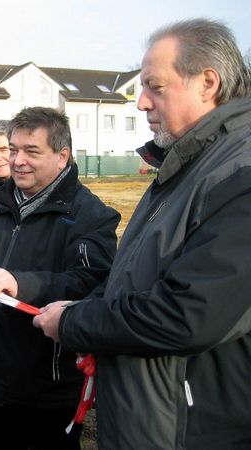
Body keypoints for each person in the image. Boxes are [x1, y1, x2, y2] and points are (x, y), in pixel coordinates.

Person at [32, 19, 251, 449]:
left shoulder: (238, 172)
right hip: (147, 419)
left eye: (155, 86)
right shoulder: (186, 167)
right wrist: (86, 305)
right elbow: (138, 277)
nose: (140, 103)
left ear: (207, 83)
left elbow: (189, 314)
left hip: (189, 430)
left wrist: (77, 322)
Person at [0, 106, 120, 450]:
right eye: (13, 149)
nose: (17, 160)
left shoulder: (90, 215)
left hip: (49, 384)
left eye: (31, 151)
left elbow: (90, 283)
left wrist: (21, 284)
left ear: (62, 156)